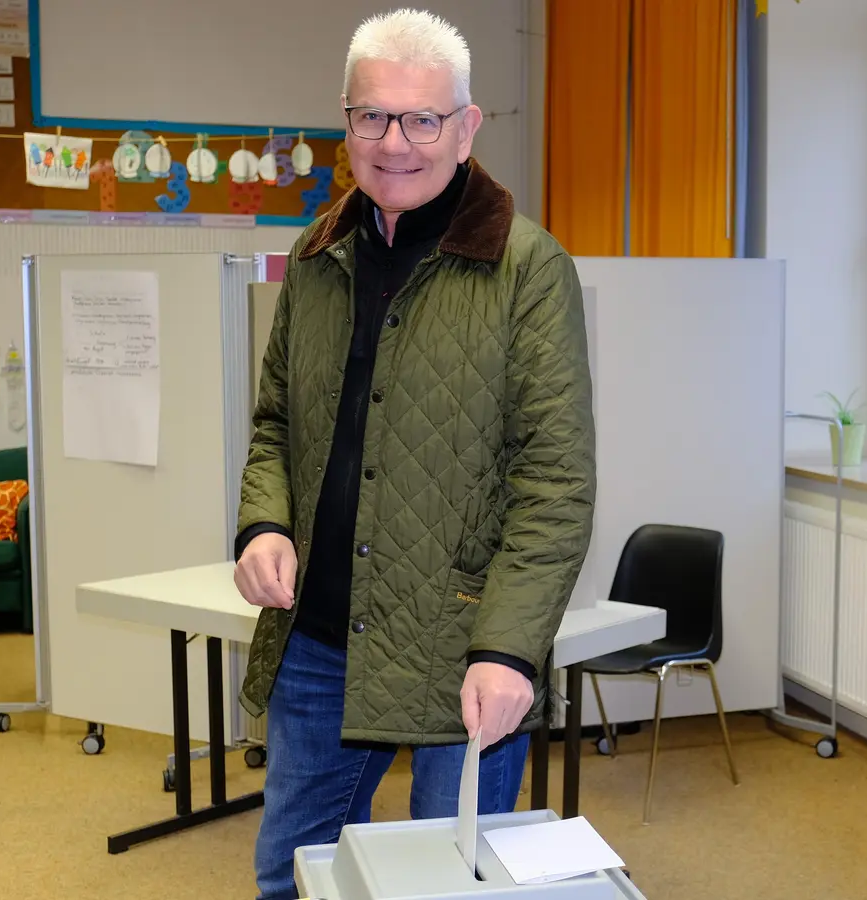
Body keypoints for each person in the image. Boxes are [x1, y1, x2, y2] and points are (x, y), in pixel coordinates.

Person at [230, 9, 595, 899]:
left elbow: (554, 484)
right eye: (373, 116)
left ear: (465, 129)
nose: (395, 143)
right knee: (291, 877)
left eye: (422, 119)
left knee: (444, 886)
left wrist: (510, 650)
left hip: (461, 649)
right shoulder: (316, 256)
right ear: (346, 123)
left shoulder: (529, 271)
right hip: (317, 636)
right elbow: (275, 423)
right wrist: (264, 523)